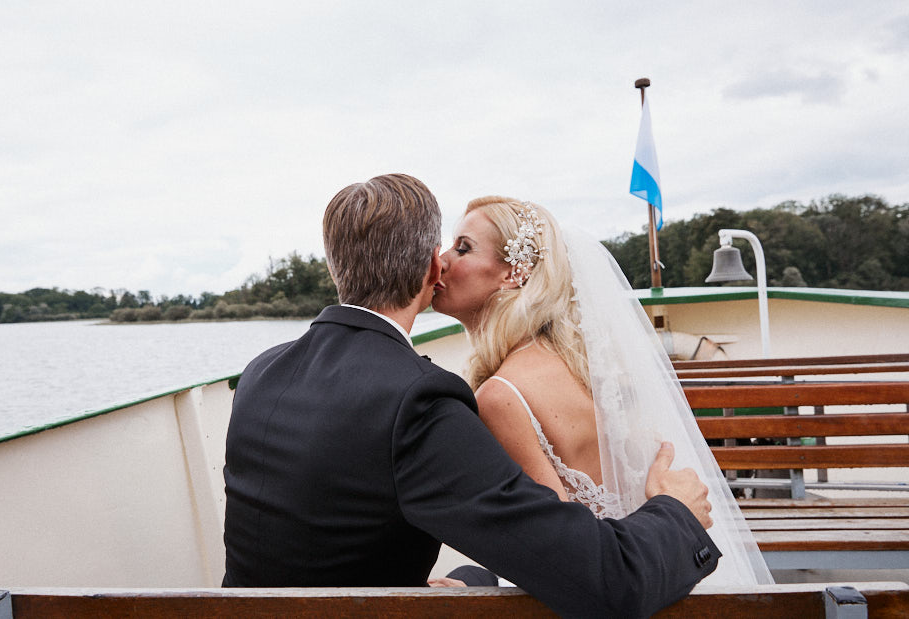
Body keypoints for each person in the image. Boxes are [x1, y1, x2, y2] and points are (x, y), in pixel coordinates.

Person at [222, 174, 721, 617]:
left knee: (474, 577)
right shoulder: (417, 400)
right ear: (430, 269)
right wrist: (676, 513)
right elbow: (606, 581)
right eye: (447, 250)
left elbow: (321, 540)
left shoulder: (262, 372)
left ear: (336, 265)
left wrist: (450, 582)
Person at [432, 196, 772, 586]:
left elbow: (562, 562)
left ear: (515, 273)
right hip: (657, 571)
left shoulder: (501, 395)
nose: (442, 260)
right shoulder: (581, 364)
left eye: (463, 248)